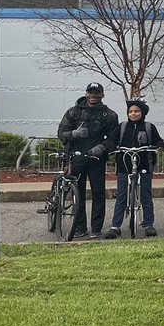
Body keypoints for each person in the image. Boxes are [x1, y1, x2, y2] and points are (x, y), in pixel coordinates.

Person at [56, 81, 119, 238]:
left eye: (97, 93)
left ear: (102, 95)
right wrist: (74, 134)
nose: (93, 96)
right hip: (76, 159)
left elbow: (114, 138)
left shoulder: (109, 115)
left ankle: (96, 228)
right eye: (90, 93)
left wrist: (103, 148)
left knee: (98, 193)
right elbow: (61, 132)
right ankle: (80, 227)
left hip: (96, 160)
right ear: (86, 94)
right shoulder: (73, 112)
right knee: (79, 194)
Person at [103, 98, 164, 238]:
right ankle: (115, 226)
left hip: (144, 165)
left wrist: (160, 145)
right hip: (124, 165)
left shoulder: (149, 127)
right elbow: (112, 140)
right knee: (121, 196)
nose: (133, 114)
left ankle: (148, 224)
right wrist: (109, 147)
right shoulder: (122, 126)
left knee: (146, 195)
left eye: (136, 111)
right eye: (130, 111)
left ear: (142, 113)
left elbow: (158, 140)